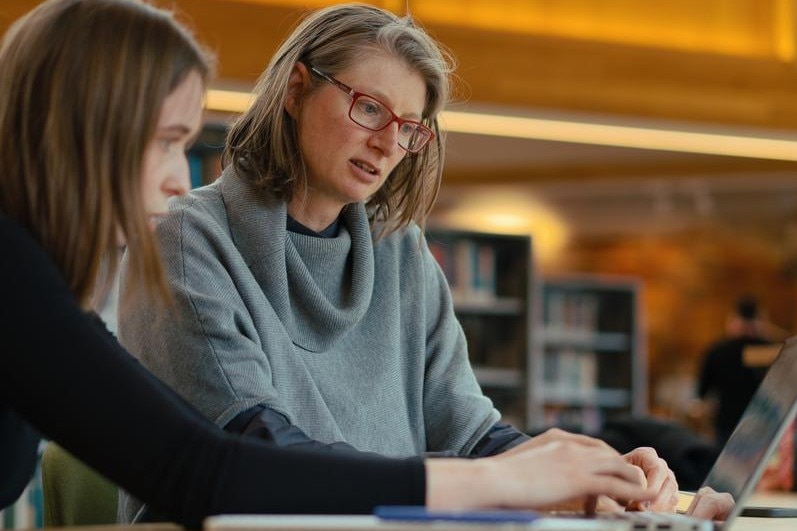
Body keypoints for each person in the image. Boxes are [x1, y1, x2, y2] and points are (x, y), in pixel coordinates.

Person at [0, 0, 666, 528]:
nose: (179, 177)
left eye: (407, 128)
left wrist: (591, 470)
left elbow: (467, 429)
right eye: (169, 141)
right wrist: (502, 481)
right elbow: (219, 468)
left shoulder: (37, 282)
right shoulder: (92, 259)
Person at [697, 296, 781, 446]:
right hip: (763, 425)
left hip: (728, 425)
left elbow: (702, 392)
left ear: (734, 320)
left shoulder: (718, 351)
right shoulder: (773, 350)